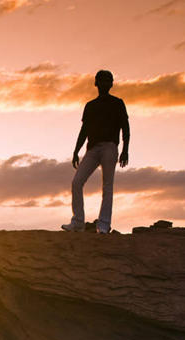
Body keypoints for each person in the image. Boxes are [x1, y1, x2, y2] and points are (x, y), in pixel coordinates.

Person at [62, 69, 129, 234]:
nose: (105, 83)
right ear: (96, 83)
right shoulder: (90, 106)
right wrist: (76, 151)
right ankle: (78, 222)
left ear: (111, 84)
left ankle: (104, 225)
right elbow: (84, 130)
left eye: (108, 81)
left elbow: (125, 128)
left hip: (110, 147)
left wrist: (125, 150)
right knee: (77, 182)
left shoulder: (117, 103)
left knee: (107, 186)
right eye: (102, 80)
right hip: (92, 148)